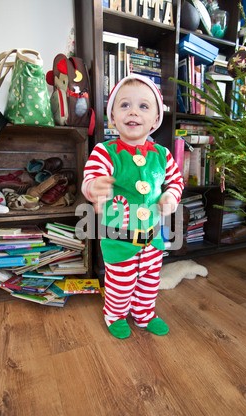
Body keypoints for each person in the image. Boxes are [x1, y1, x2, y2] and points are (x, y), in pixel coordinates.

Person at [81, 74, 184, 339]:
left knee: (149, 281)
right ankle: (114, 314)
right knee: (121, 283)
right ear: (113, 117)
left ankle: (144, 314)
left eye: (143, 106)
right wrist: (95, 188)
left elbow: (176, 181)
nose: (133, 113)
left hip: (153, 238)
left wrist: (171, 197)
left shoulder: (163, 155)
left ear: (155, 120)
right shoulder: (105, 151)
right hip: (119, 239)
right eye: (124, 105)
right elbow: (91, 178)